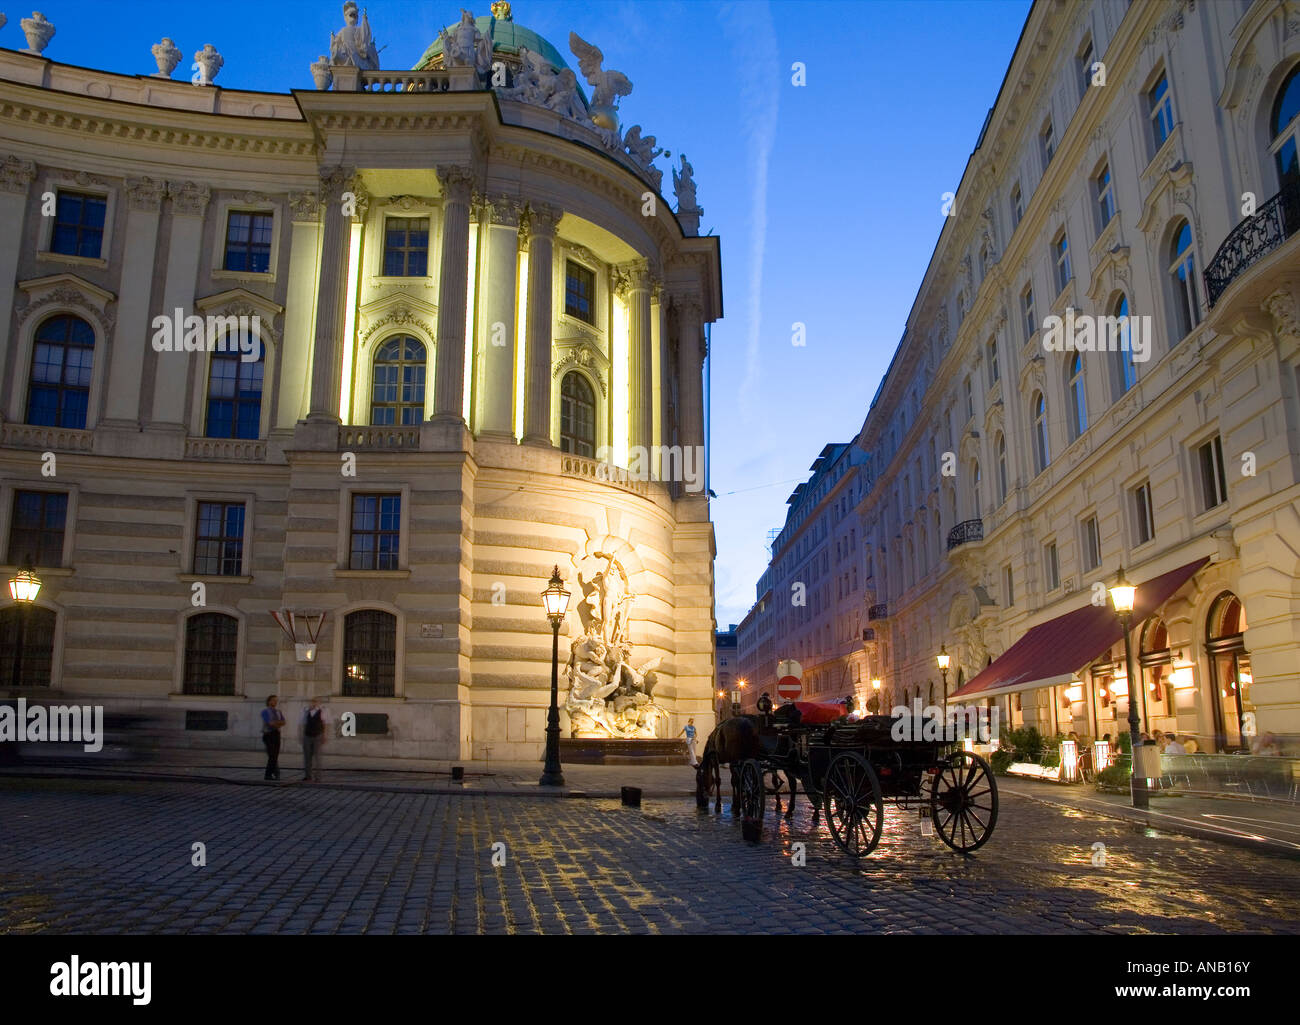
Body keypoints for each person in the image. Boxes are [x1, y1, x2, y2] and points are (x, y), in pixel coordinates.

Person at [301, 697, 327, 782]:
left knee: (317, 757)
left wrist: (324, 735)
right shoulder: (306, 711)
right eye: (312, 702)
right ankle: (308, 776)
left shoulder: (321, 711)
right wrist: (302, 735)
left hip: (317, 735)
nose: (314, 703)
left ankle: (318, 777)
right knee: (307, 757)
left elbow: (324, 724)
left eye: (315, 702)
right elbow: (303, 724)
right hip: (307, 735)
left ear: (318, 703)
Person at [261, 695, 285, 780]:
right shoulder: (265, 711)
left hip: (276, 734)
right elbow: (270, 723)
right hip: (268, 735)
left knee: (275, 755)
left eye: (276, 700)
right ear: (269, 701)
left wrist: (276, 723)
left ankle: (275, 773)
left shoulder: (278, 711)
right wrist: (278, 723)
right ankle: (268, 774)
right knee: (272, 755)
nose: (275, 702)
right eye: (273, 700)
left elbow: (284, 722)